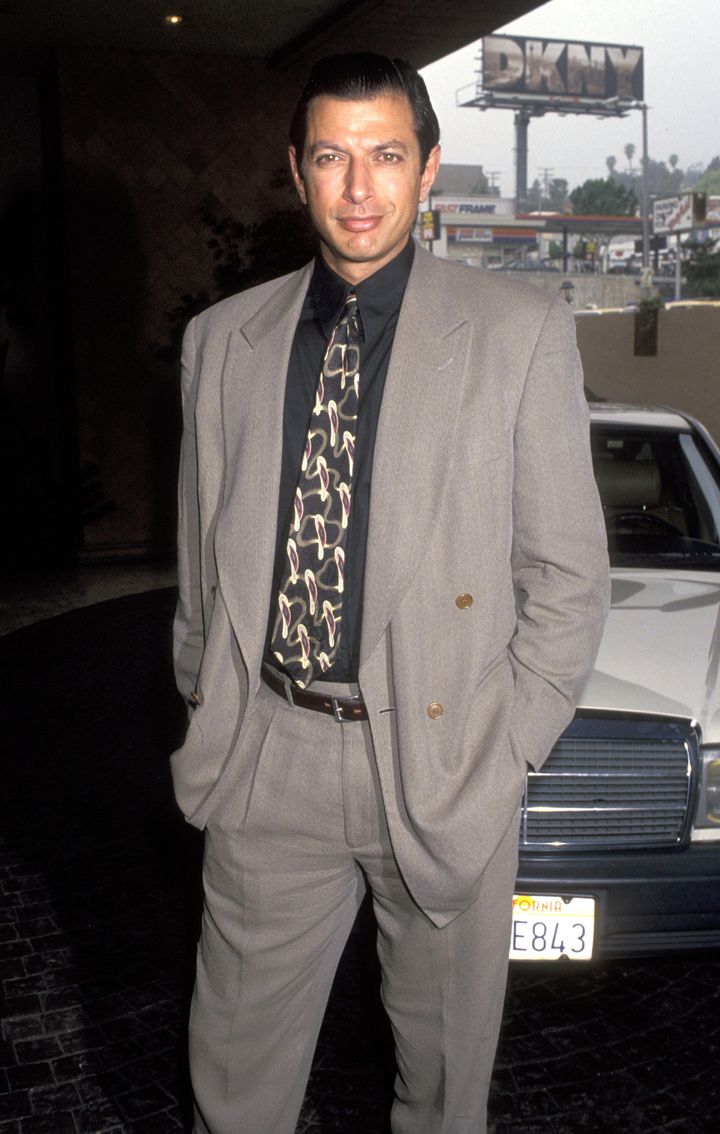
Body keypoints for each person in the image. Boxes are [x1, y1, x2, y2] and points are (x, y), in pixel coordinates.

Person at [172, 52, 610, 1134]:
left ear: (428, 168)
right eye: (333, 157)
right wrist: (212, 707)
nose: (359, 187)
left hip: (447, 760)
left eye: (386, 156)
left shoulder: (517, 330)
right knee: (233, 1084)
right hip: (268, 759)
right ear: (297, 171)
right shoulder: (220, 343)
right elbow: (199, 567)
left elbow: (567, 578)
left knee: (445, 1089)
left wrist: (505, 751)